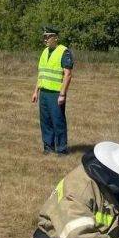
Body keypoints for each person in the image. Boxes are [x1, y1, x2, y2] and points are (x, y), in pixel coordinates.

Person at [31, 26, 73, 155]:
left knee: (58, 121)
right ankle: (48, 147)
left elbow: (68, 74)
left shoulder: (64, 52)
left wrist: (62, 94)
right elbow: (41, 74)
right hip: (44, 93)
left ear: (56, 37)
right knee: (45, 121)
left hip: (55, 94)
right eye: (44, 37)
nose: (46, 39)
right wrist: (35, 91)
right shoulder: (44, 52)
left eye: (48, 37)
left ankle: (61, 149)